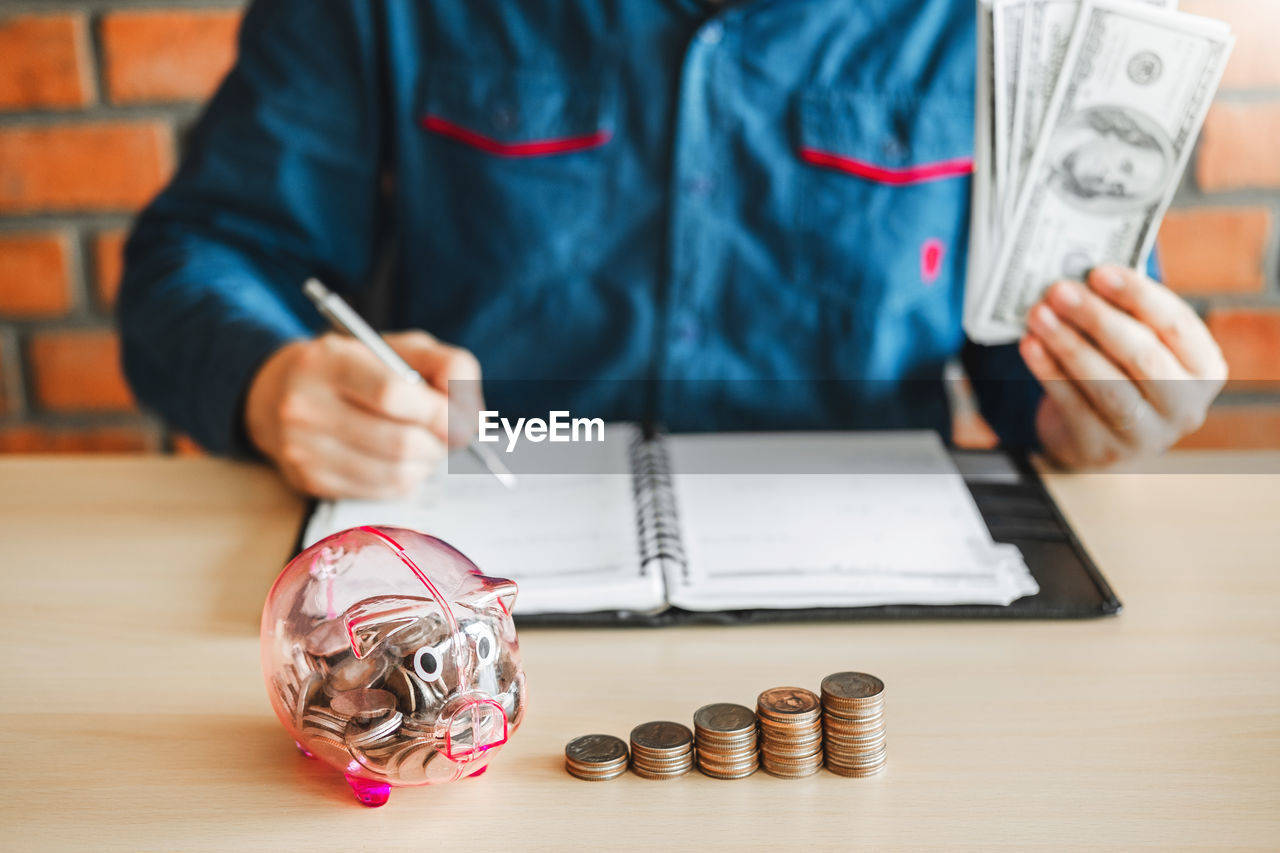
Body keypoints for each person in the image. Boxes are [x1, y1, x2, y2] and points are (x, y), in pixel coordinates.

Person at [118, 0, 1227, 499]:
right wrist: (269, 383)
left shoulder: (1006, 20)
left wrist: (1097, 407)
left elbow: (1030, 359)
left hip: (881, 618)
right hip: (469, 568)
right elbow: (202, 253)